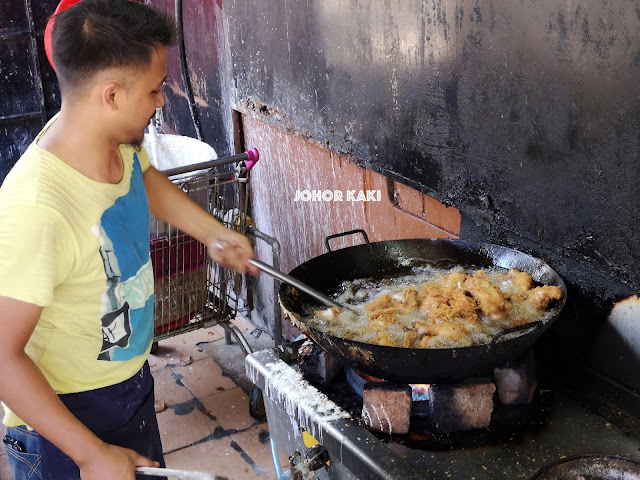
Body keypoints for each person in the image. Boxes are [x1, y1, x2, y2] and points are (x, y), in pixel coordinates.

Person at [0, 1, 259, 479]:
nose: (162, 101)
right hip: (63, 423)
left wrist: (213, 233)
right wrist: (91, 454)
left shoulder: (110, 141)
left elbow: (147, 178)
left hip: (127, 384)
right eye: (155, 90)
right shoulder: (36, 208)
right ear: (112, 94)